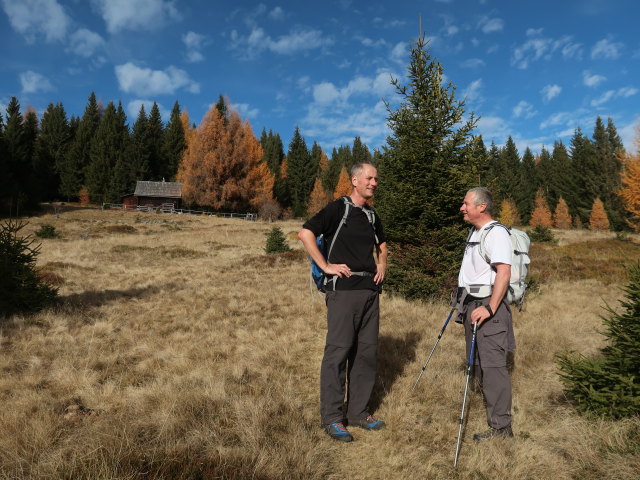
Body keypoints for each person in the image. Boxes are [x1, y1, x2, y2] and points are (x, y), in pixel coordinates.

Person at [298, 163, 387, 442]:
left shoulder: (372, 215)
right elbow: (305, 233)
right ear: (355, 180)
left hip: (370, 292)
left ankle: (359, 412)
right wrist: (325, 266)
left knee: (366, 354)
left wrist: (382, 265)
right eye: (369, 178)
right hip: (343, 292)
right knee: (338, 353)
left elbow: (382, 244)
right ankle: (333, 418)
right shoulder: (339, 209)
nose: (374, 183)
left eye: (376, 179)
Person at [457, 186, 515, 441]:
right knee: (478, 364)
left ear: (481, 207)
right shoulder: (475, 232)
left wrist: (490, 307)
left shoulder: (496, 234)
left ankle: (501, 429)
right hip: (473, 306)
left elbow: (504, 272)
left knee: (493, 367)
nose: (462, 207)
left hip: (488, 308)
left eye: (466, 203)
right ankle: (493, 415)